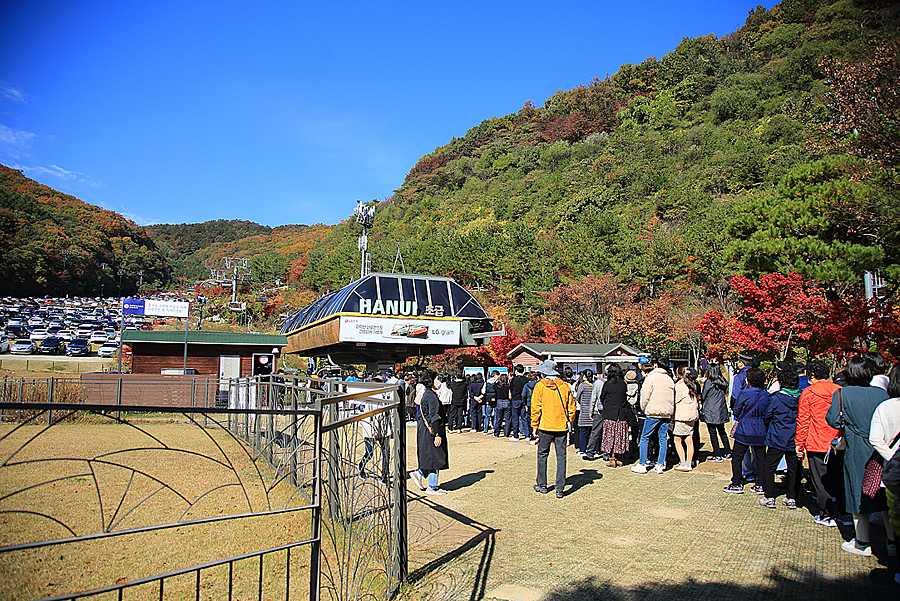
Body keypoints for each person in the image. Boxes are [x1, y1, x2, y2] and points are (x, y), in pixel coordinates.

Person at [825, 355, 891, 556]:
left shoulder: (844, 393)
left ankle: (862, 541)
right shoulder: (881, 394)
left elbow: (833, 420)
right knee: (882, 493)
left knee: (856, 490)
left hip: (857, 445)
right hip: (881, 449)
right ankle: (891, 542)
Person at [796, 359, 842, 526]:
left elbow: (803, 420)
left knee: (820, 479)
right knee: (838, 477)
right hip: (837, 441)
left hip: (816, 440)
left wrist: (799, 443)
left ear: (811, 375)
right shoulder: (839, 391)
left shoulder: (808, 393)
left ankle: (826, 514)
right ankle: (843, 514)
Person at [868, 363, 900, 563]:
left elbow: (875, 439)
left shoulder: (886, 406)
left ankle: (891, 542)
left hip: (891, 467)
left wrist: (892, 459)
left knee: (891, 508)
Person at [531, 360, 576, 498]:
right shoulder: (565, 387)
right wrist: (569, 421)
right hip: (561, 426)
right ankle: (560, 488)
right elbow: (571, 408)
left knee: (542, 455)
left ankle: (542, 484)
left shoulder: (540, 386)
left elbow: (536, 408)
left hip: (545, 426)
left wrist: (534, 425)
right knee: (561, 456)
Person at [759, 365, 801, 509]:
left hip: (777, 437)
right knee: (794, 468)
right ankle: (792, 497)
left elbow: (766, 416)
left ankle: (769, 496)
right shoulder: (801, 398)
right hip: (796, 438)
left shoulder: (775, 398)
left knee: (769, 466)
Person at [724, 367, 769, 494]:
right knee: (761, 457)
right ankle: (760, 483)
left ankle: (737, 482)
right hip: (760, 429)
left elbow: (736, 410)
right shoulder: (766, 395)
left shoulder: (744, 393)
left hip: (744, 428)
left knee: (737, 456)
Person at [632, 356, 676, 474]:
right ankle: (660, 464)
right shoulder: (669, 379)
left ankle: (642, 463)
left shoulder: (652, 377)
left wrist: (644, 408)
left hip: (653, 411)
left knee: (645, 437)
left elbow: (645, 395)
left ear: (656, 365)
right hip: (666, 413)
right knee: (663, 438)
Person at [409, 370, 449, 496]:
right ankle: (431, 485)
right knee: (435, 456)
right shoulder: (431, 396)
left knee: (432, 456)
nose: (439, 382)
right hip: (432, 431)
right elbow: (434, 416)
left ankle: (421, 475)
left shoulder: (427, 394)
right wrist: (437, 434)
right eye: (437, 379)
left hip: (425, 430)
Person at [600, 364, 629, 467]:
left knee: (610, 437)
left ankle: (612, 458)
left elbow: (602, 398)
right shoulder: (623, 384)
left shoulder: (607, 384)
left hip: (610, 414)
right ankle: (620, 458)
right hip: (621, 414)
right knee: (620, 437)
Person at [702, 363, 731, 462]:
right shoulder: (722, 381)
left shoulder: (709, 382)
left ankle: (717, 454)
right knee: (722, 432)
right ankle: (728, 452)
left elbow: (703, 395)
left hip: (711, 410)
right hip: (721, 410)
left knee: (713, 433)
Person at [673, 366, 700, 472]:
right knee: (689, 440)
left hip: (682, 415)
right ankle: (689, 462)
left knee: (677, 439)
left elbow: (675, 399)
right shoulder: (693, 385)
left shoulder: (680, 386)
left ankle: (683, 462)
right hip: (692, 415)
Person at [575, 370, 596, 455]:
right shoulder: (594, 385)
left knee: (583, 432)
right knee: (593, 432)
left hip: (584, 411)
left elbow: (578, 397)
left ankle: (582, 449)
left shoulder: (582, 385)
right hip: (593, 411)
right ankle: (594, 449)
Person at [511, 365, 528, 440]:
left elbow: (510, 387)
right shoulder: (526, 379)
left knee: (515, 418)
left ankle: (516, 435)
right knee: (524, 417)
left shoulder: (514, 379)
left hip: (515, 399)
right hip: (524, 400)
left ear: (516, 371)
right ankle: (527, 435)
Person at [494, 373, 513, 438]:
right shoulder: (508, 386)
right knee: (507, 419)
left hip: (499, 402)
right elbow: (510, 396)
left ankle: (496, 433)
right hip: (507, 402)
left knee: (498, 419)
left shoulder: (496, 386)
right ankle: (506, 433)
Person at [523, 371, 539, 444]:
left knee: (530, 420)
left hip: (529, 404)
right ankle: (537, 435)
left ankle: (531, 435)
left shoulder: (526, 385)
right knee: (538, 419)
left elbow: (523, 395)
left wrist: (525, 404)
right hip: (537, 404)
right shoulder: (538, 385)